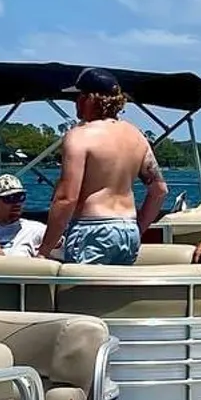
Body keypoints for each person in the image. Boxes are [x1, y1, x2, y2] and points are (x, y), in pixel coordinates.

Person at [38, 68, 166, 265]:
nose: (76, 103)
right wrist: (137, 229)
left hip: (92, 229)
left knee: (82, 295)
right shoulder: (137, 136)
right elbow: (159, 191)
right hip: (128, 229)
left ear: (89, 99)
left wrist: (44, 250)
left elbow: (66, 198)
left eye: (78, 97)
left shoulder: (80, 135)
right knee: (113, 294)